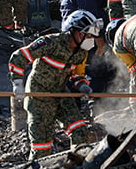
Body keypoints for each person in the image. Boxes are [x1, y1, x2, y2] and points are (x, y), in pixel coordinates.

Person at [8, 10, 101, 158]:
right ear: (76, 32)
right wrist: (18, 83)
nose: (91, 39)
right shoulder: (51, 43)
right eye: (88, 34)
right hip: (39, 97)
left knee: (80, 133)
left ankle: (76, 165)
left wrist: (82, 85)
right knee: (42, 148)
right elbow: (20, 56)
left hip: (61, 94)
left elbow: (76, 74)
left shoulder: (81, 52)